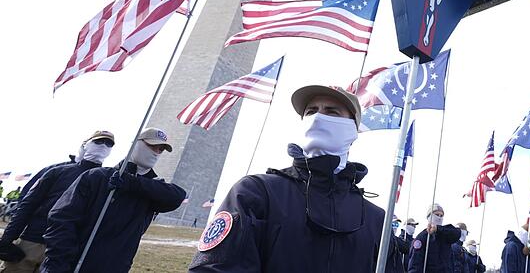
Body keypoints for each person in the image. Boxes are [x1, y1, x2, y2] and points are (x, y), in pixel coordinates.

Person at [188, 85, 385, 272]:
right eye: (311, 111)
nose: (318, 118)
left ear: (352, 130)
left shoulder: (376, 219)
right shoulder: (257, 193)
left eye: (332, 112)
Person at [41, 128, 185, 272]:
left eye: (160, 149)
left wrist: (131, 183)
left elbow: (177, 196)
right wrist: (58, 262)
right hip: (73, 264)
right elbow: (61, 219)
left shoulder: (150, 191)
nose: (156, 152)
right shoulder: (97, 177)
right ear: (135, 144)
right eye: (152, 146)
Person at [0, 131, 115, 272]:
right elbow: (27, 205)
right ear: (85, 145)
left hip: (63, 252)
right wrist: (7, 238)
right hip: (33, 241)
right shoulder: (57, 171)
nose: (103, 146)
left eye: (108, 144)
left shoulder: (108, 182)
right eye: (98, 142)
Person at [407, 203, 462, 273]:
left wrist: (438, 229)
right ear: (429, 217)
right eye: (436, 215)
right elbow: (415, 264)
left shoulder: (445, 234)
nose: (439, 217)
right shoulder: (422, 237)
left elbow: (456, 233)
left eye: (441, 215)